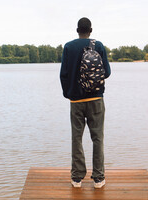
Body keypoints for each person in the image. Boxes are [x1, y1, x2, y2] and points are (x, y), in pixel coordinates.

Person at [60, 17, 111, 188]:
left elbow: (64, 75)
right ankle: (98, 178)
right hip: (96, 99)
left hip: (76, 101)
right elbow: (107, 72)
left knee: (77, 138)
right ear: (91, 30)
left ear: (77, 30)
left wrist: (69, 94)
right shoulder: (99, 46)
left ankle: (77, 178)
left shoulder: (68, 47)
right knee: (98, 138)